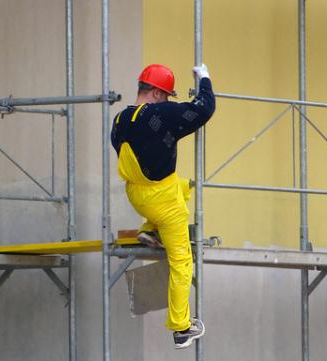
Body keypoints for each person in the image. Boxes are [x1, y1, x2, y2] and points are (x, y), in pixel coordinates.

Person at [111, 63, 215, 349]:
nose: (168, 100)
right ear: (156, 92)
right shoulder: (159, 113)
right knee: (182, 262)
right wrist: (204, 79)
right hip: (163, 202)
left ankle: (151, 231)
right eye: (167, 95)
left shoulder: (120, 120)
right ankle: (181, 328)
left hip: (137, 195)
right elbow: (203, 109)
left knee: (183, 185)